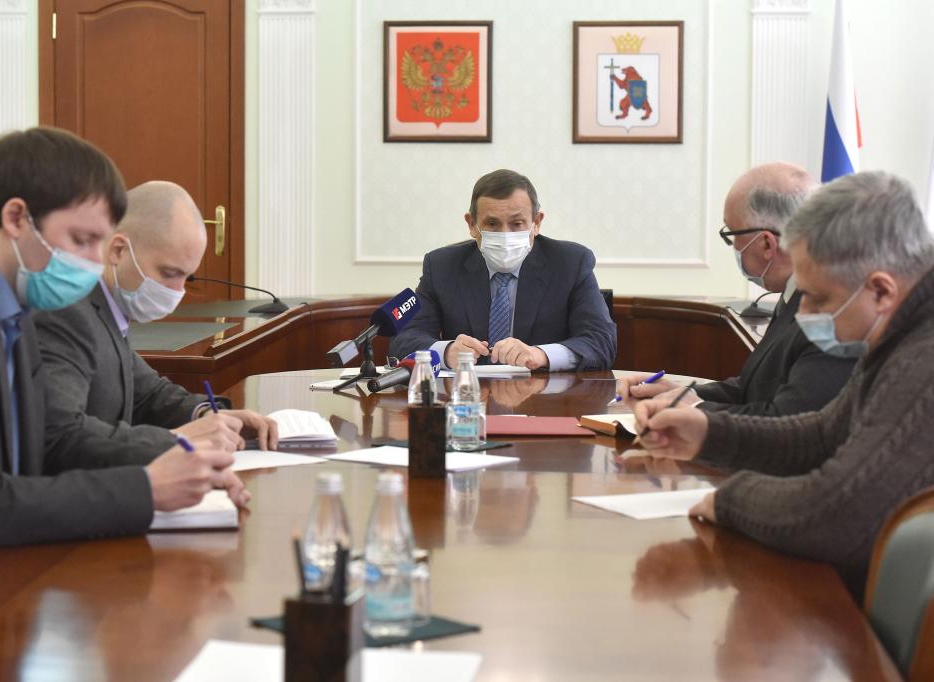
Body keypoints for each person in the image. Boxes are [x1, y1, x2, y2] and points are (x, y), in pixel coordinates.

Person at [0, 127, 247, 585]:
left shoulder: (12, 299)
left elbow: (51, 441)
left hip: (3, 567)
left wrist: (183, 462)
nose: (94, 262)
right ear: (16, 217)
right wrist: (147, 489)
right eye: (81, 239)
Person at [634, 171, 934, 599]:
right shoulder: (900, 330)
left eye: (818, 298)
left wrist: (729, 501)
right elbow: (823, 433)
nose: (803, 313)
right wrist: (707, 432)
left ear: (882, 292)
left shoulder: (923, 359)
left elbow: (837, 514)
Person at [35, 181, 278, 461]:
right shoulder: (68, 312)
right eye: (169, 273)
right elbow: (63, 434)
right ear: (118, 250)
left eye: (186, 277)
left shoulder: (108, 308)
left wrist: (210, 415)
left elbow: (147, 393)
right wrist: (179, 440)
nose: (177, 291)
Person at [618, 162, 856, 415]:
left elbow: (787, 421)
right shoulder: (793, 293)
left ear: (766, 244)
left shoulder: (830, 315)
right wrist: (681, 394)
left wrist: (696, 410)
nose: (733, 246)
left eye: (732, 234)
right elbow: (754, 388)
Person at [390, 169, 617, 370]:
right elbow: (405, 338)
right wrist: (447, 352)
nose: (505, 235)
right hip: (468, 394)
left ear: (536, 222)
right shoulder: (442, 266)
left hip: (545, 396)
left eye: (517, 224)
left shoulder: (570, 263)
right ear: (472, 224)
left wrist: (540, 355)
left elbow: (601, 341)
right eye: (492, 224)